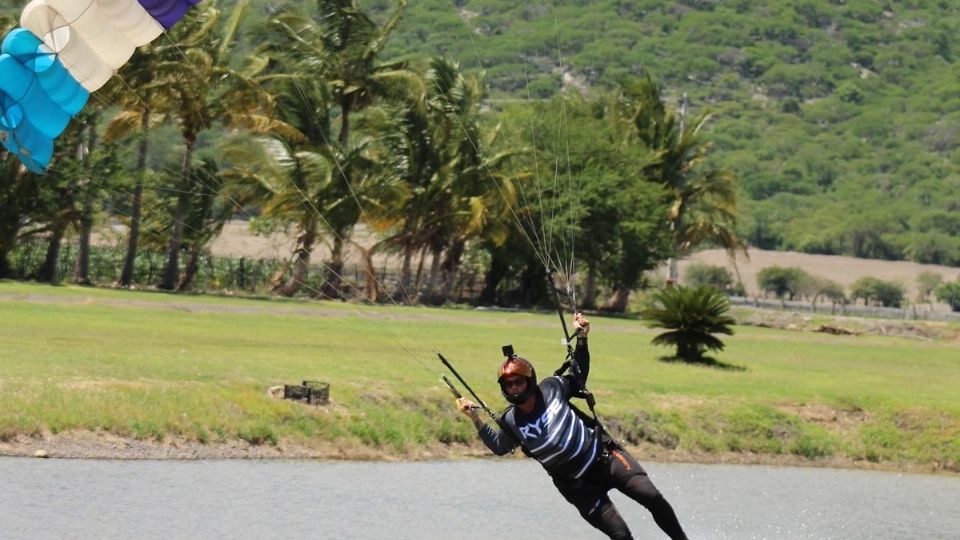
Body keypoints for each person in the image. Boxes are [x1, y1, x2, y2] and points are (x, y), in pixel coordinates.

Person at [456, 313, 689, 540]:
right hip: (579, 488)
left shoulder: (552, 387)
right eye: (508, 385)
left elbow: (579, 376)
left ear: (530, 380)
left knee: (652, 497)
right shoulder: (510, 420)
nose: (514, 387)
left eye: (518, 382)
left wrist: (582, 338)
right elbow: (499, 446)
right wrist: (475, 418)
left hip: (606, 459)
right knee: (621, 535)